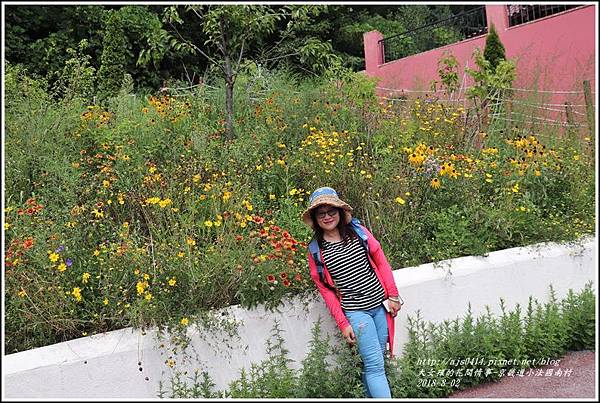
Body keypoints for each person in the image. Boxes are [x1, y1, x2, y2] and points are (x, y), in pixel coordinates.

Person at [302, 186, 402, 398]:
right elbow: (326, 291)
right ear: (315, 218)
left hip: (380, 307)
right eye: (322, 213)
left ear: (340, 212)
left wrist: (393, 295)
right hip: (357, 313)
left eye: (332, 211)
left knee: (375, 361)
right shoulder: (316, 251)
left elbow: (381, 261)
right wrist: (343, 323)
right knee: (375, 365)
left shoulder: (359, 232)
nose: (328, 217)